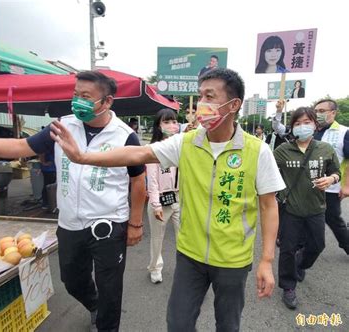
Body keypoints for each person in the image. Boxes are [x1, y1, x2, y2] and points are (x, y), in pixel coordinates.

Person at [50, 68, 286, 331]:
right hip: (190, 255)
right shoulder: (185, 143)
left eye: (210, 96)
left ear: (234, 104)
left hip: (233, 260)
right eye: (200, 96)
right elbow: (137, 154)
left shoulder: (257, 151)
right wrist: (83, 157)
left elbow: (268, 205)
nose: (202, 104)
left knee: (228, 325)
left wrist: (266, 260)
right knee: (178, 324)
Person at [0, 70, 147, 332]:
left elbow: (138, 180)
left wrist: (135, 223)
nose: (78, 100)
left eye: (86, 96)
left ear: (107, 101)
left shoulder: (124, 136)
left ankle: (106, 325)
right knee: (71, 280)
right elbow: (19, 147)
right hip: (69, 223)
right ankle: (94, 305)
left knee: (110, 288)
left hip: (108, 224)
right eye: (75, 94)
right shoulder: (61, 127)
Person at [273, 107, 340, 309]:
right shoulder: (282, 151)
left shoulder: (325, 149)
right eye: (298, 123)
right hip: (290, 209)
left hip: (316, 207)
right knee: (287, 249)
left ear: (315, 124)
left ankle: (300, 263)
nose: (303, 127)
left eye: (307, 122)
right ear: (292, 127)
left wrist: (331, 178)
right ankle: (288, 286)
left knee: (317, 245)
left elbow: (336, 172)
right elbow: (267, 173)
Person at [273, 98, 349, 255]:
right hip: (300, 188)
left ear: (333, 112)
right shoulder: (304, 135)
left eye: (322, 111)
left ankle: (345, 245)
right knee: (297, 228)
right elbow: (280, 129)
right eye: (317, 111)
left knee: (332, 221)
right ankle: (296, 258)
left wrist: (344, 183)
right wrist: (279, 111)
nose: (318, 114)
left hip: (331, 188)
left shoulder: (343, 132)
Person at [146, 108, 181, 284]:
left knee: (184, 237)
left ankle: (186, 271)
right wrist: (156, 205)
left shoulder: (181, 147)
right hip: (160, 199)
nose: (171, 125)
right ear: (158, 126)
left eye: (174, 121)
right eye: (166, 122)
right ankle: (155, 268)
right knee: (157, 238)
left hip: (179, 198)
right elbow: (151, 180)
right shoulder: (153, 149)